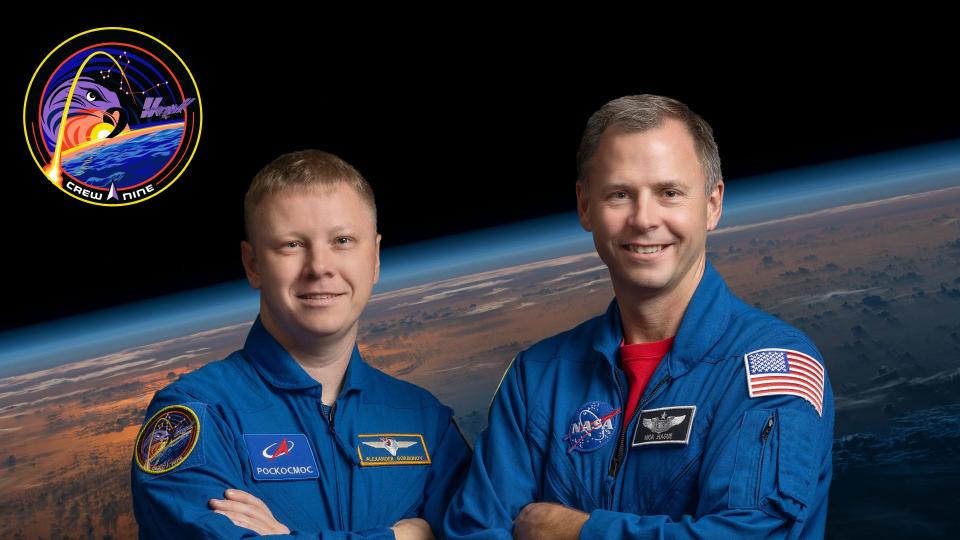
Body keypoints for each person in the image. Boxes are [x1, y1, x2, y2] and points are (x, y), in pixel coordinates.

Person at [444, 95, 834, 539]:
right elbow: (474, 532)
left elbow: (750, 534)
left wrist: (579, 532)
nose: (644, 219)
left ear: (712, 204)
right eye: (620, 194)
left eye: (669, 193)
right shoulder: (536, 377)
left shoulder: (773, 366)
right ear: (585, 206)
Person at [132, 150, 471, 539]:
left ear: (374, 257)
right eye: (292, 245)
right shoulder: (195, 415)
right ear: (253, 264)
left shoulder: (425, 419)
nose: (319, 267)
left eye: (343, 240)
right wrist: (401, 536)